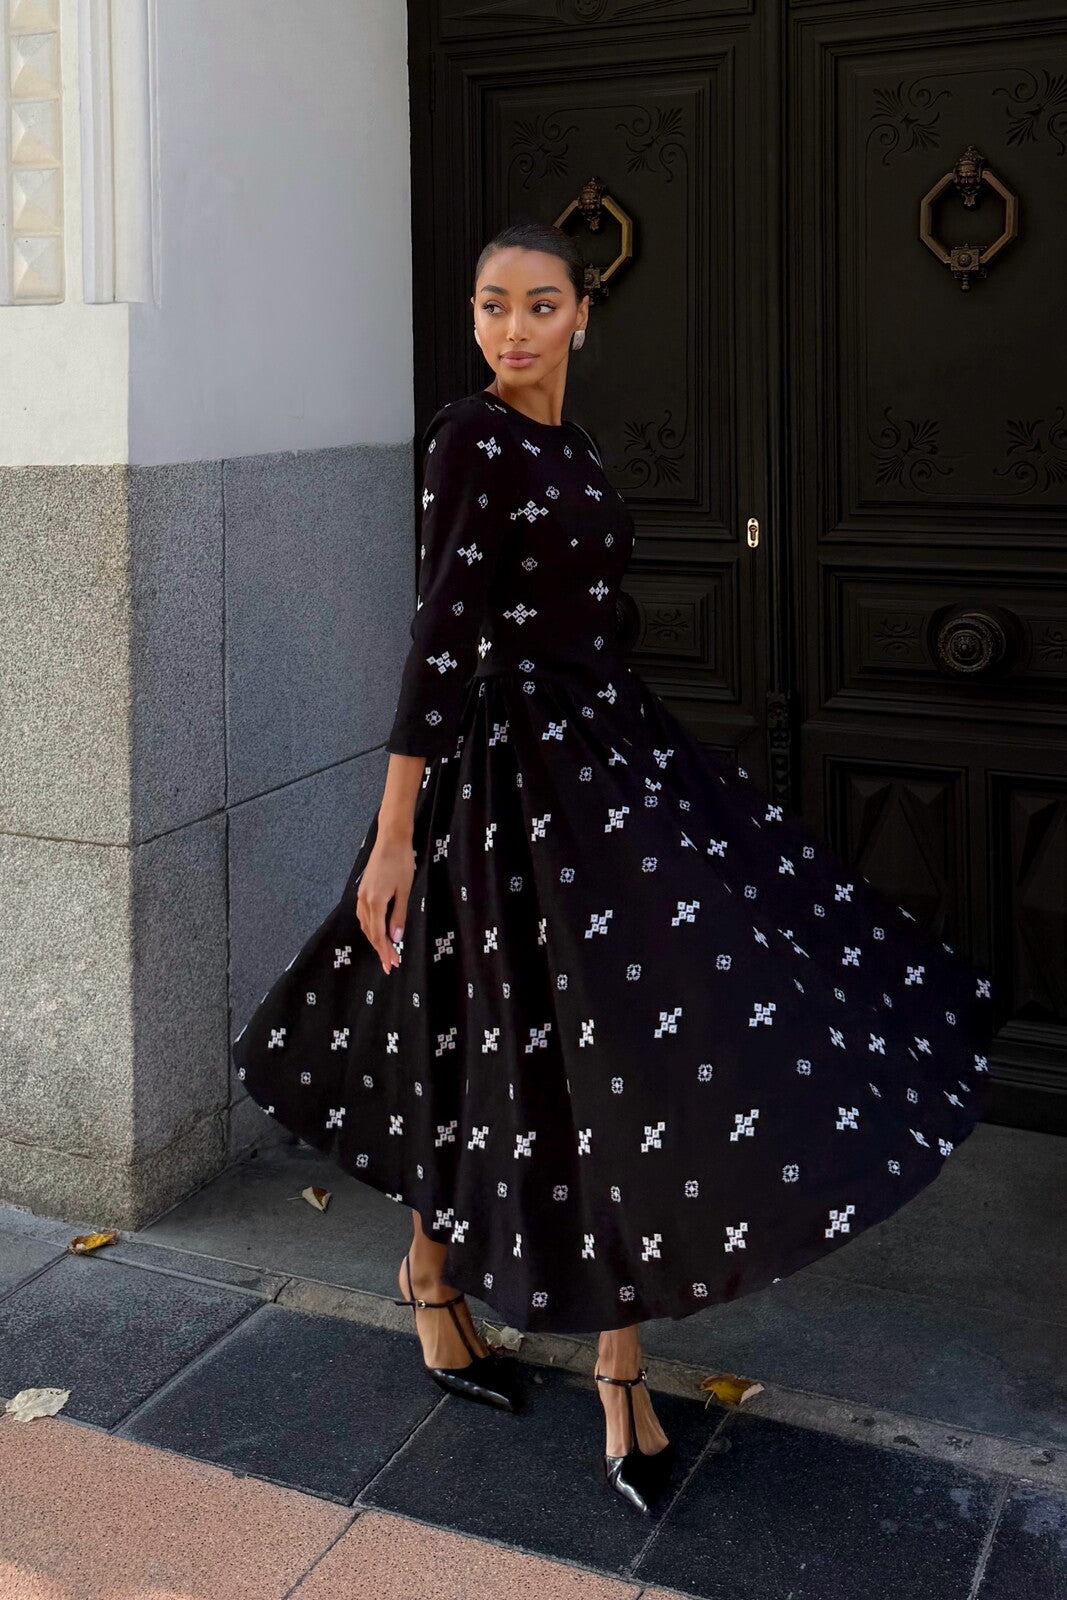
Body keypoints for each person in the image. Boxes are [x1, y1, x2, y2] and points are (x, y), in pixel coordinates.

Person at [231, 220, 997, 1517]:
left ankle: (542, 1326)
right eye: (491, 306)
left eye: (539, 305)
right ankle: (544, 1341)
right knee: (513, 1040)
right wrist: (398, 829)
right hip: (498, 774)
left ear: (583, 316)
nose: (513, 329)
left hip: (597, 749)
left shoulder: (573, 449)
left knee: (570, 1041)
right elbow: (441, 631)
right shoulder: (471, 437)